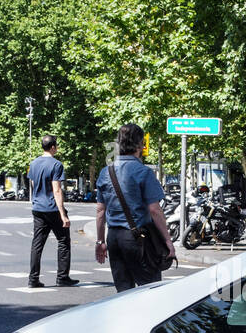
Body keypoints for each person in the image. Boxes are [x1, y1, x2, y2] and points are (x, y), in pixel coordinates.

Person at [94, 123, 175, 292]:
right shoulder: (143, 172)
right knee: (150, 290)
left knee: (123, 293)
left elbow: (100, 211)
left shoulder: (105, 172)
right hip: (139, 239)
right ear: (140, 145)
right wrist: (168, 241)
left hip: (114, 238)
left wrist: (100, 241)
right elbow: (155, 210)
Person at [27, 134, 78, 287]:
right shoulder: (56, 165)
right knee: (63, 241)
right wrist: (63, 214)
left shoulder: (34, 163)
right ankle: (62, 277)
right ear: (53, 147)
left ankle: (33, 279)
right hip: (52, 209)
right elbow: (57, 190)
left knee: (37, 244)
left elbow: (33, 183)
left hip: (37, 208)